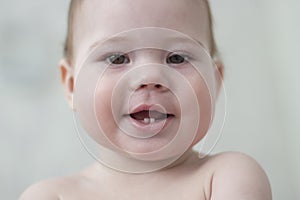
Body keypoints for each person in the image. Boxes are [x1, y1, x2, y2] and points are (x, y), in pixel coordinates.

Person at [19, 0, 272, 199]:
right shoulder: (50, 196)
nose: (149, 77)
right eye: (117, 58)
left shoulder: (227, 177)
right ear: (71, 85)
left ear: (214, 82)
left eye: (176, 58)